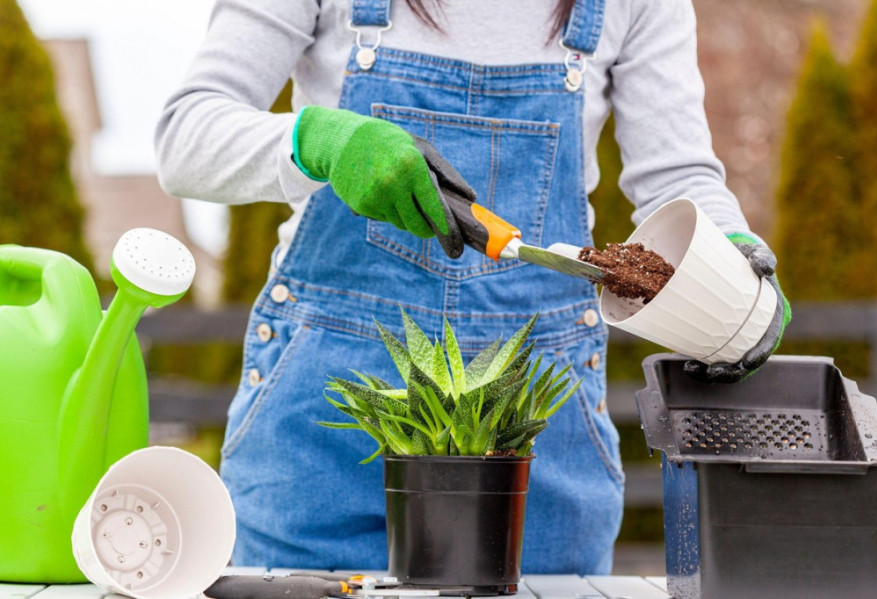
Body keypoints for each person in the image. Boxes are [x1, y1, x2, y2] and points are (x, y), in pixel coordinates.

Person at [155, 0, 790, 575]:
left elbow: (676, 173)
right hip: (324, 417)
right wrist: (320, 139)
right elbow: (187, 136)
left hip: (536, 427)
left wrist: (729, 251)